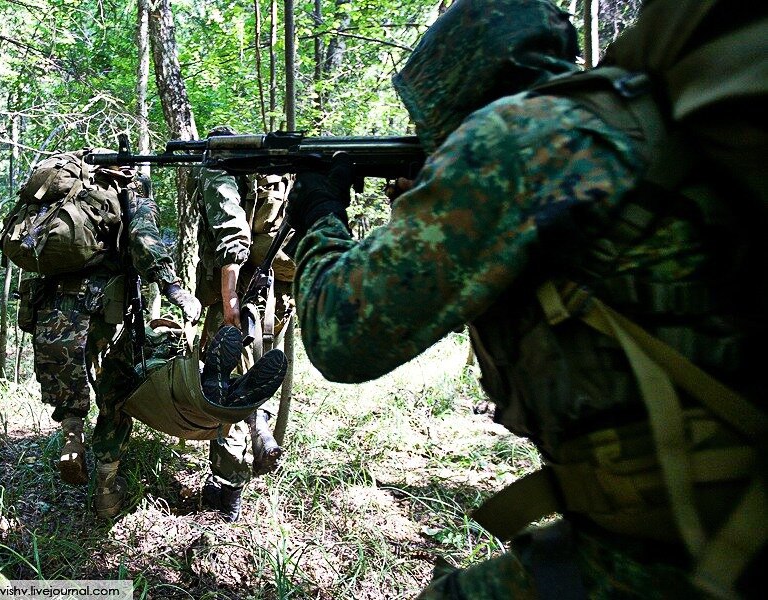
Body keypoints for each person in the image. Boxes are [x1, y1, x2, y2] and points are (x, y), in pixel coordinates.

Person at [287, 0, 764, 597]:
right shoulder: (621, 126)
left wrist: (319, 215)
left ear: (453, 74)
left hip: (694, 546)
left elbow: (342, 334)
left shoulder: (518, 139)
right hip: (715, 507)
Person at [28, 174, 203, 518]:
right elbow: (143, 240)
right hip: (100, 305)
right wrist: (173, 287)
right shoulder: (126, 193)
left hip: (49, 310)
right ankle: (106, 492)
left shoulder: (59, 199)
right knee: (116, 389)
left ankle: (72, 437)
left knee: (69, 381)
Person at [191, 126, 296, 522]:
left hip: (238, 300)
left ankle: (228, 487)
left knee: (228, 389)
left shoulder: (222, 167)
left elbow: (230, 229)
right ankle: (251, 450)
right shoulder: (280, 173)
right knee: (252, 380)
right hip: (277, 299)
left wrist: (229, 294)